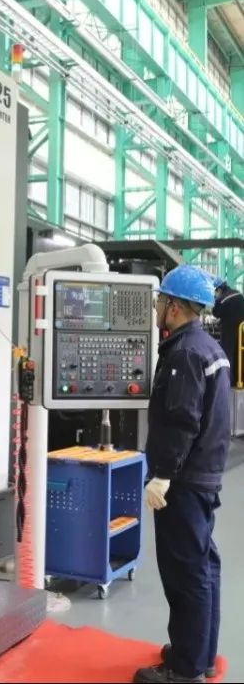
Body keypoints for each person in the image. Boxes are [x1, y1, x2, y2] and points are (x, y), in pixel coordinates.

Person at [134, 265, 231, 684]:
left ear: (173, 307)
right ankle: (200, 654)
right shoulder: (209, 347)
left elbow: (181, 421)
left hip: (184, 481)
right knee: (203, 566)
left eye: (160, 301)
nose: (157, 308)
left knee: (184, 572)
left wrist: (162, 475)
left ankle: (185, 670)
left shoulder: (184, 353)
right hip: (204, 474)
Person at [212, 278, 244, 386]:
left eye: (215, 291)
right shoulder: (239, 294)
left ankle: (229, 382)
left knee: (227, 355)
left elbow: (215, 313)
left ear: (219, 289)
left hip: (228, 330)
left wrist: (216, 300)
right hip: (241, 330)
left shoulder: (222, 299)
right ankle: (239, 380)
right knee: (239, 354)